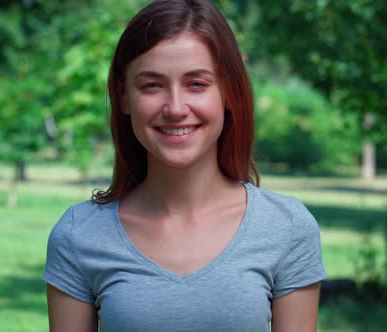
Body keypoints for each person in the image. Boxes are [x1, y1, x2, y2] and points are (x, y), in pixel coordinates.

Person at [43, 0, 327, 331]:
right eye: (152, 85)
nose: (176, 108)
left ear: (227, 92)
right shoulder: (78, 235)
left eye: (196, 84)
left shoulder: (287, 228)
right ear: (123, 96)